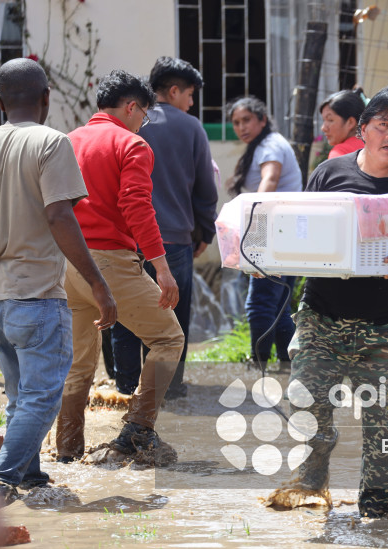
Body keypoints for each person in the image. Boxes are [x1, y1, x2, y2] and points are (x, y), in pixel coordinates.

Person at [273, 85, 388, 518]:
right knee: (305, 405)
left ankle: (376, 522)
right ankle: (313, 482)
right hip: (322, 319)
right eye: (383, 126)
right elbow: (299, 233)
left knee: (385, 439)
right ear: (364, 129)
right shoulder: (329, 173)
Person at [0, 58, 116, 502]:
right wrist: (98, 284)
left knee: (19, 394)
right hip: (36, 297)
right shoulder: (51, 143)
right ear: (46, 99)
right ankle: (0, 479)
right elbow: (60, 215)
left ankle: (29, 475)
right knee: (41, 397)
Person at [55, 70, 184, 463]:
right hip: (109, 264)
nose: (141, 122)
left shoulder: (67, 141)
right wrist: (161, 267)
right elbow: (136, 207)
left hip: (66, 265)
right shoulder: (132, 144)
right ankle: (138, 428)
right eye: (142, 114)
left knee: (80, 362)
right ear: (132, 107)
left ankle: (67, 450)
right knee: (169, 339)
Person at [109, 57, 218, 399]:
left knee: (125, 315)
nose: (192, 102)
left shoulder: (127, 121)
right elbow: (205, 190)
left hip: (125, 240)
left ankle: (125, 388)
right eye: (190, 94)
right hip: (173, 241)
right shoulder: (191, 127)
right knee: (172, 318)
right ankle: (168, 388)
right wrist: (204, 233)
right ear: (173, 90)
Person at [228, 97, 302, 363]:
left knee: (259, 304)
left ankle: (258, 364)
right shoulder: (264, 144)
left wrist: (252, 233)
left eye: (247, 120)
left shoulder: (270, 145)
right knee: (278, 307)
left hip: (275, 233)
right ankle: (287, 365)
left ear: (262, 120)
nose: (241, 127)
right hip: (287, 233)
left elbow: (269, 182)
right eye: (236, 122)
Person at [319, 90, 365, 159]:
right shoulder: (375, 148)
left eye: (330, 120)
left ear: (350, 122)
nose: (323, 128)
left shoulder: (341, 152)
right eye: (324, 120)